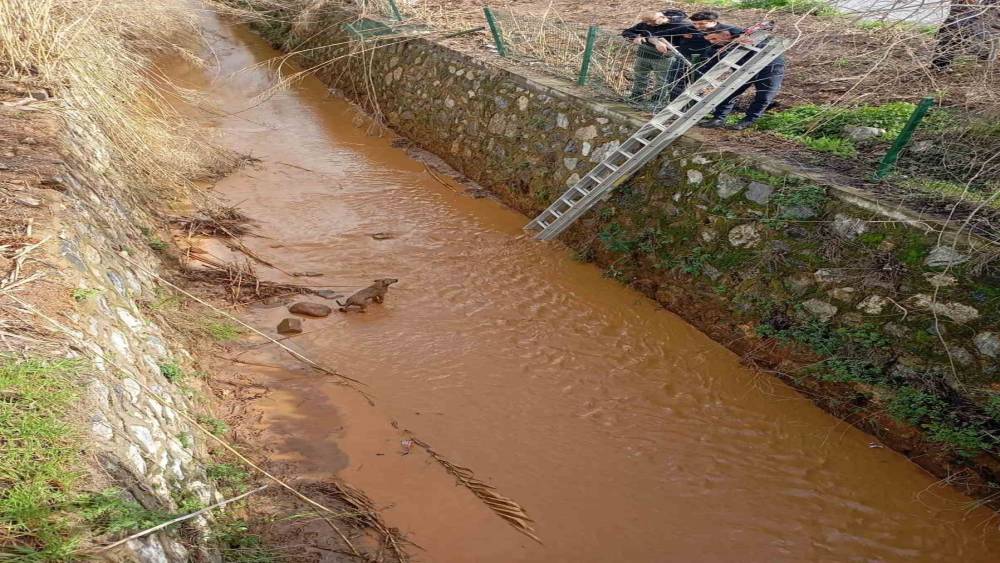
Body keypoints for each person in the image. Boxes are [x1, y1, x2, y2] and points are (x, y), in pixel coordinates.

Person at [698, 28, 786, 130]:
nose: (712, 41)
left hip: (769, 68)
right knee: (729, 92)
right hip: (742, 70)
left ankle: (748, 121)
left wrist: (741, 38)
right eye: (709, 40)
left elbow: (765, 29)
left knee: (764, 96)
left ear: (726, 35)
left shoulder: (746, 36)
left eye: (714, 38)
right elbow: (711, 61)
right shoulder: (718, 46)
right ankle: (718, 118)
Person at [621, 10, 693, 106]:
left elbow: (690, 40)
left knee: (662, 81)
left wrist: (675, 47)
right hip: (643, 54)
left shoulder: (681, 25)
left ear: (662, 17)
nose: (648, 24)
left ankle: (657, 101)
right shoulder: (646, 23)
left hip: (664, 57)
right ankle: (636, 96)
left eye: (651, 21)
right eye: (646, 22)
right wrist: (635, 36)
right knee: (640, 77)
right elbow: (627, 32)